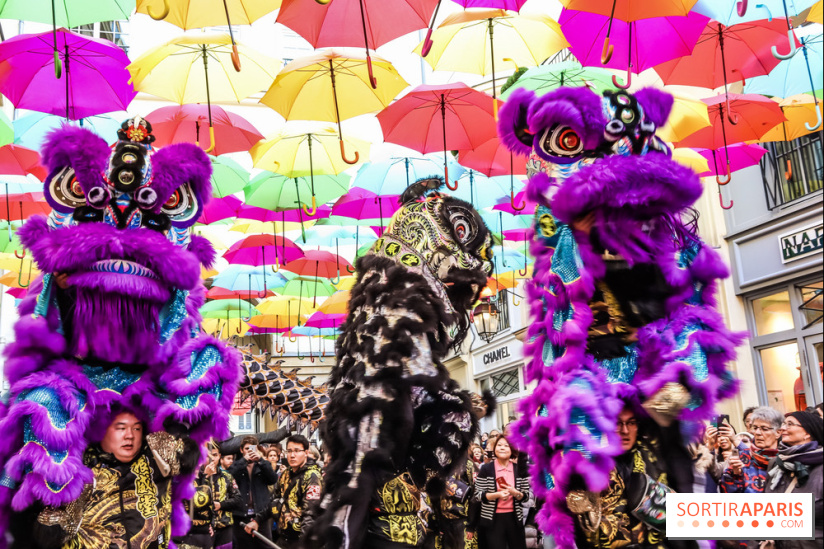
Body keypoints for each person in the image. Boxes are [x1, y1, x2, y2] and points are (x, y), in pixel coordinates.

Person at [31, 409, 198, 549]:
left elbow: (182, 438)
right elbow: (54, 530)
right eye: (121, 428)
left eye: (136, 429)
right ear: (103, 430)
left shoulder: (156, 458)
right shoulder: (79, 467)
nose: (129, 436)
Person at [568, 406, 675, 549]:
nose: (625, 431)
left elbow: (676, 520)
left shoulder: (652, 458)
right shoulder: (589, 468)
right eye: (618, 423)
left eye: (631, 423)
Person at [245, 435, 323, 549]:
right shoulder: (286, 473)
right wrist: (257, 520)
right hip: (284, 538)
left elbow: (311, 514)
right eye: (289, 451)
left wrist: (305, 544)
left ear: (306, 452)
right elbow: (274, 501)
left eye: (297, 451)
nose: (292, 455)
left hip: (301, 541)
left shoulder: (312, 476)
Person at [761, 411, 824, 549]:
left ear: (807, 433)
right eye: (784, 424)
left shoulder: (820, 465)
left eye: (790, 424)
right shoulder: (776, 464)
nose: (783, 428)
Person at [474, 435, 530, 549]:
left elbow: (526, 496)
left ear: (512, 450)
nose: (502, 448)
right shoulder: (486, 469)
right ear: (494, 449)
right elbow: (477, 495)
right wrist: (497, 495)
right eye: (499, 445)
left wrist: (515, 493)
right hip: (493, 520)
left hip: (514, 518)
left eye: (506, 445)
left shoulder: (519, 469)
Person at [229, 435, 279, 548]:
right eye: (247, 449)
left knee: (266, 545)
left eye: (252, 448)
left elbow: (273, 479)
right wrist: (244, 461)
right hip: (240, 515)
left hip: (260, 515)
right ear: (241, 450)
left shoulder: (262, 465)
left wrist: (260, 460)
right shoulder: (237, 465)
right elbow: (229, 476)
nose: (249, 451)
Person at [720, 406, 782, 494]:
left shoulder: (786, 459)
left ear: (778, 433)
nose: (757, 433)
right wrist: (736, 474)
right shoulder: (742, 457)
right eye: (755, 428)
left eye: (764, 429)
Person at [203, 443, 244, 549]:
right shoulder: (197, 477)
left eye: (215, 455)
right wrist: (204, 477)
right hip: (204, 528)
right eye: (208, 456)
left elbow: (238, 499)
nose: (212, 459)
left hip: (225, 526)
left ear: (220, 456)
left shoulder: (227, 477)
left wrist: (221, 505)